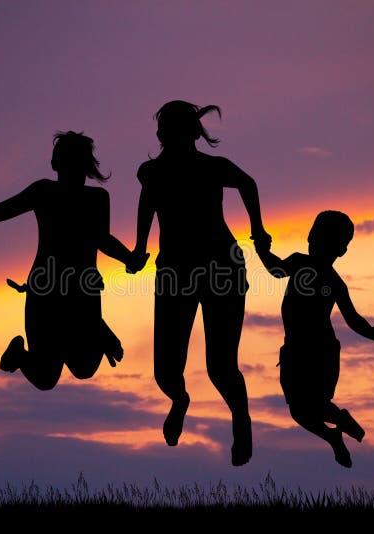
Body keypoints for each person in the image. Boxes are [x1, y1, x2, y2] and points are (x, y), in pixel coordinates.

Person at [0, 131, 146, 390]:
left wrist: (129, 258)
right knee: (45, 378)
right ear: (56, 166)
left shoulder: (96, 199)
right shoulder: (45, 192)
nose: (68, 169)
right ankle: (22, 354)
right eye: (64, 162)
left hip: (82, 293)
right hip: (47, 292)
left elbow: (101, 239)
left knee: (84, 368)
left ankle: (99, 332)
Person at [130, 100, 271, 466]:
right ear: (163, 135)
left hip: (222, 266)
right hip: (175, 271)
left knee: (221, 365)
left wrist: (258, 231)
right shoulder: (152, 172)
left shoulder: (213, 167)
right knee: (165, 368)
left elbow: (248, 183)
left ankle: (241, 419)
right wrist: (140, 249)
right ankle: (179, 400)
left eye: (181, 128)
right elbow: (147, 206)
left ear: (193, 132)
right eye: (169, 129)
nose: (173, 135)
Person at [255, 210, 374, 468]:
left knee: (305, 408)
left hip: (315, 351)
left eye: (322, 239)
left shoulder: (309, 268)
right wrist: (372, 333)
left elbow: (275, 270)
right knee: (304, 408)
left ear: (340, 250)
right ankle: (333, 433)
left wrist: (261, 249)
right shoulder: (327, 277)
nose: (315, 242)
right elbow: (353, 320)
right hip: (306, 350)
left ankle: (339, 423)